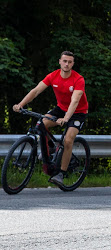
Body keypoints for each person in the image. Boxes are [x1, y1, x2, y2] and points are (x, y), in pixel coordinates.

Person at [13, 51, 88, 187]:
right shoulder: (53, 76)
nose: (67, 64)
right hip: (61, 108)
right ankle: (51, 148)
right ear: (60, 61)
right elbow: (36, 91)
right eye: (64, 61)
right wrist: (21, 105)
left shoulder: (78, 79)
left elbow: (75, 100)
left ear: (73, 64)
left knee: (68, 140)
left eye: (69, 62)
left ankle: (61, 173)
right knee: (41, 124)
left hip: (78, 112)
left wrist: (66, 118)